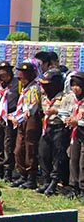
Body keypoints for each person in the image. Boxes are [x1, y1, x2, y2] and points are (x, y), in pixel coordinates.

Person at [36, 68, 70, 196]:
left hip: (59, 128)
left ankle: (55, 181)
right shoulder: (44, 97)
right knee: (43, 153)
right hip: (47, 128)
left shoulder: (65, 97)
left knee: (58, 155)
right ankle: (46, 179)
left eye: (46, 85)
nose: (43, 88)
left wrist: (57, 112)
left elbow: (70, 113)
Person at [11, 61, 43, 190]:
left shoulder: (35, 88)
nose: (21, 79)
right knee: (19, 148)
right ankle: (22, 174)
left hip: (31, 120)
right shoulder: (24, 88)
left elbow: (33, 107)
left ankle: (31, 177)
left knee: (30, 147)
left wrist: (17, 118)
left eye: (23, 76)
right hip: (21, 120)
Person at [64, 71, 84, 201]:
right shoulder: (70, 98)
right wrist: (67, 119)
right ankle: (73, 186)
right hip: (74, 133)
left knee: (83, 161)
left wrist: (78, 122)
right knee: (73, 158)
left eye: (78, 85)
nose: (74, 88)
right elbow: (64, 111)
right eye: (73, 85)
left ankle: (83, 188)